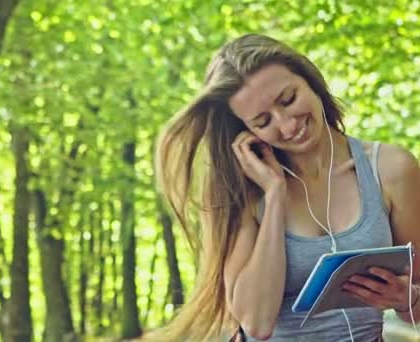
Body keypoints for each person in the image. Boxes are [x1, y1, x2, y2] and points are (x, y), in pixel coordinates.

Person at [149, 33, 420, 341]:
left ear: (310, 80)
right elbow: (256, 323)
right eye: (263, 122)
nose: (288, 126)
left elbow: (416, 306)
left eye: (288, 99)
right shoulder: (243, 190)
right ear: (246, 131)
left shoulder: (392, 169)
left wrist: (406, 298)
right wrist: (274, 194)